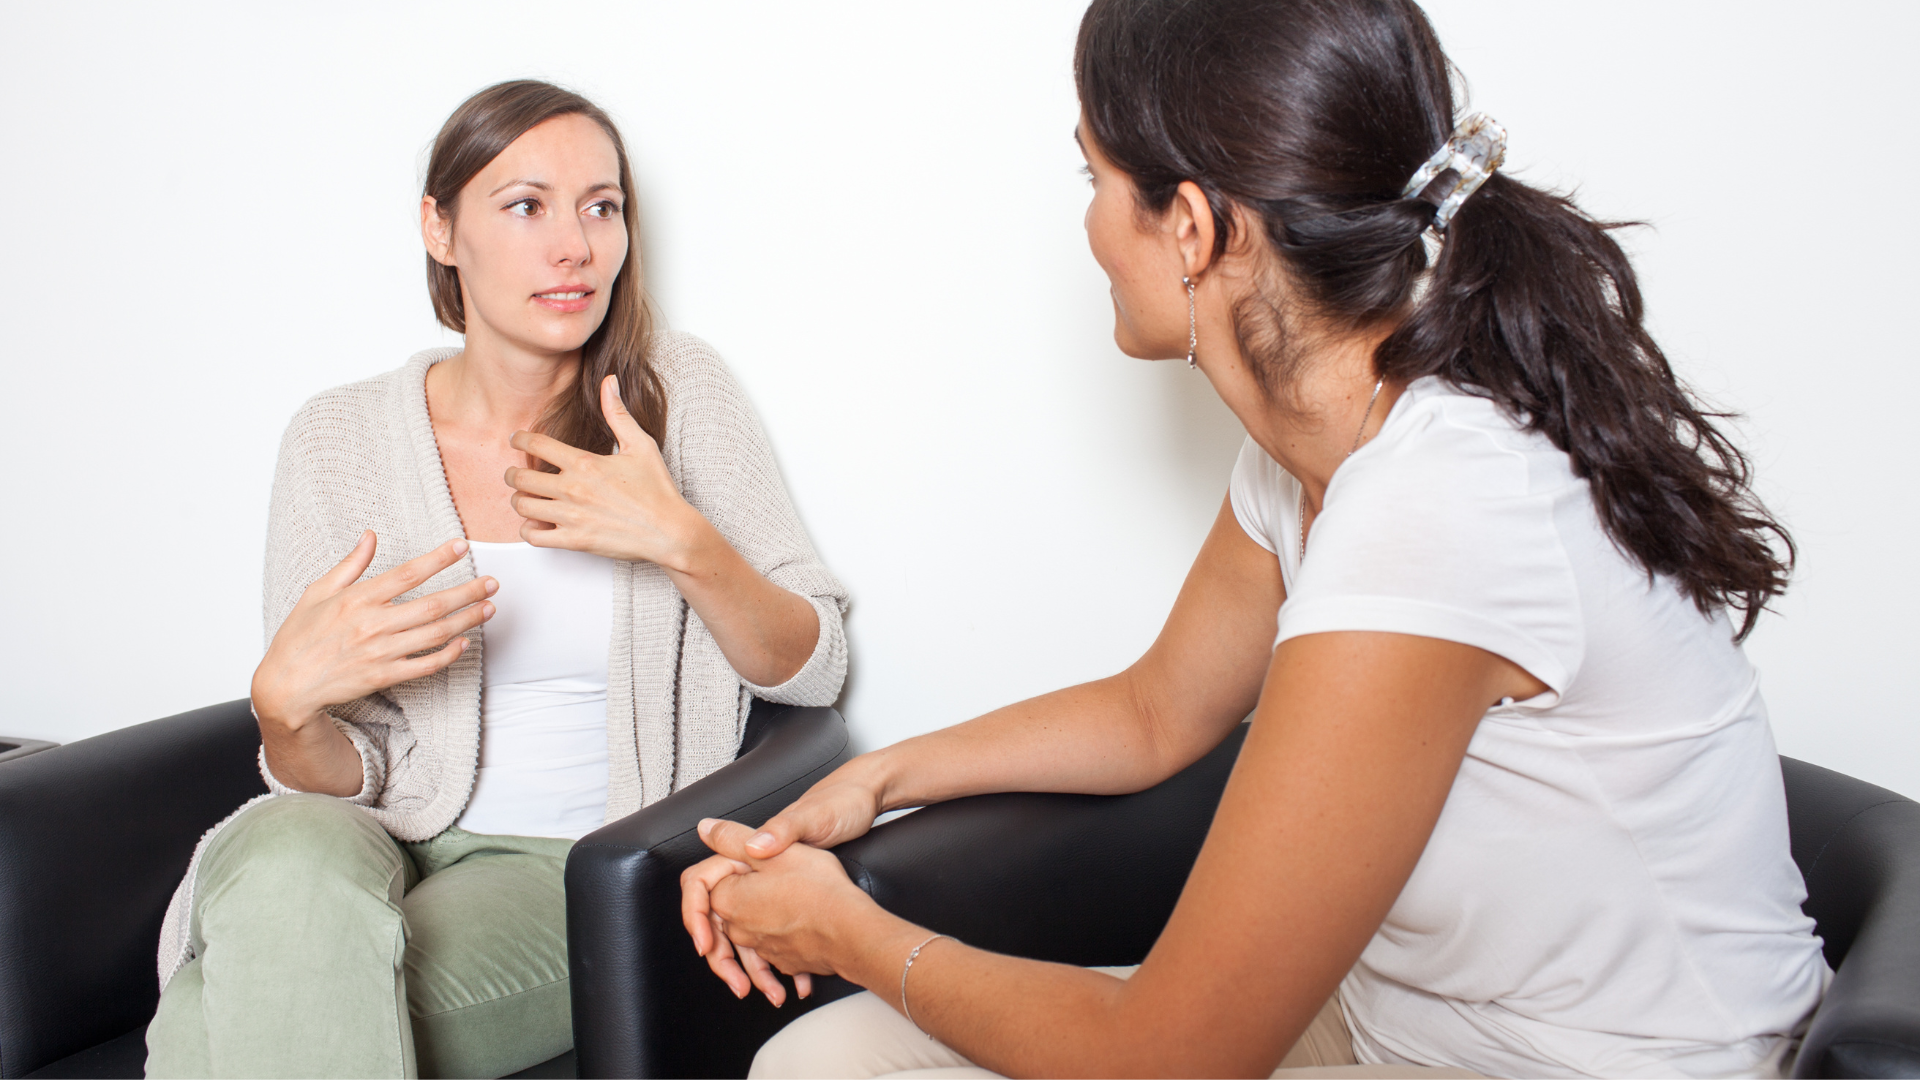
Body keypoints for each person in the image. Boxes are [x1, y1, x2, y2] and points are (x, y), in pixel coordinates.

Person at [677, 1, 1828, 1077]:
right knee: (826, 1063)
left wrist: (850, 932)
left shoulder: (1437, 508)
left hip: (1591, 1063)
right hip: (1394, 1028)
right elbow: (1155, 711)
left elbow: (1169, 1057)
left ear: (1190, 226)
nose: (1084, 223)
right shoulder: (1316, 451)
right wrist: (875, 781)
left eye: (1095, 175)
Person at [143, 80, 848, 1079]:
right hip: (366, 836)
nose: (576, 246)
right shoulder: (336, 441)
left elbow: (811, 670)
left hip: (574, 871)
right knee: (286, 859)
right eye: (526, 206)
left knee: (234, 1016)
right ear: (440, 229)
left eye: (600, 207)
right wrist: (283, 718)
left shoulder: (677, 396)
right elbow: (337, 773)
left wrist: (684, 542)